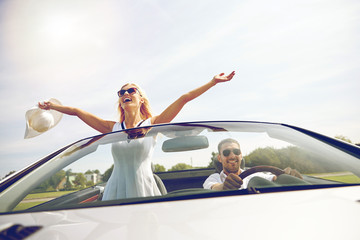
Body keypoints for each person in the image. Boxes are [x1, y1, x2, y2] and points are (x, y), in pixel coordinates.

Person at [39, 71, 235, 200]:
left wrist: (213, 82)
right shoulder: (113, 127)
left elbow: (184, 98)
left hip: (145, 188)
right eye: (121, 92)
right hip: (115, 189)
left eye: (131, 90)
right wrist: (52, 106)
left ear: (141, 98)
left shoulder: (152, 124)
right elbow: (77, 111)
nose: (126, 93)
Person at [203, 138, 305, 190]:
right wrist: (224, 186)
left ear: (241, 155)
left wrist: (286, 176)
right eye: (226, 153)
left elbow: (273, 178)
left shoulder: (253, 175)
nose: (232, 156)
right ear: (220, 158)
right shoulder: (214, 178)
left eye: (236, 152)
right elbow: (213, 187)